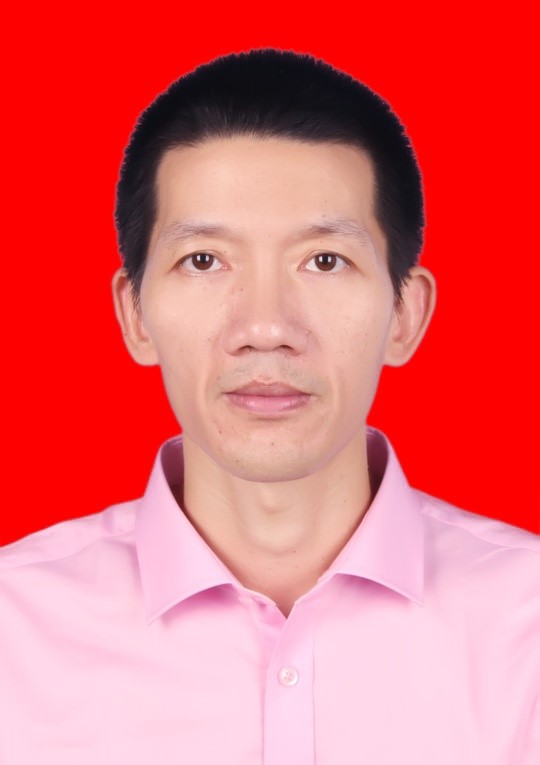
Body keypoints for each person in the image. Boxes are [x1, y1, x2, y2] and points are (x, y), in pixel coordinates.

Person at [0, 49, 538, 764]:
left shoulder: (526, 625)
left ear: (406, 315)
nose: (264, 326)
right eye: (203, 260)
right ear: (135, 316)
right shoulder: (14, 631)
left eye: (324, 261)